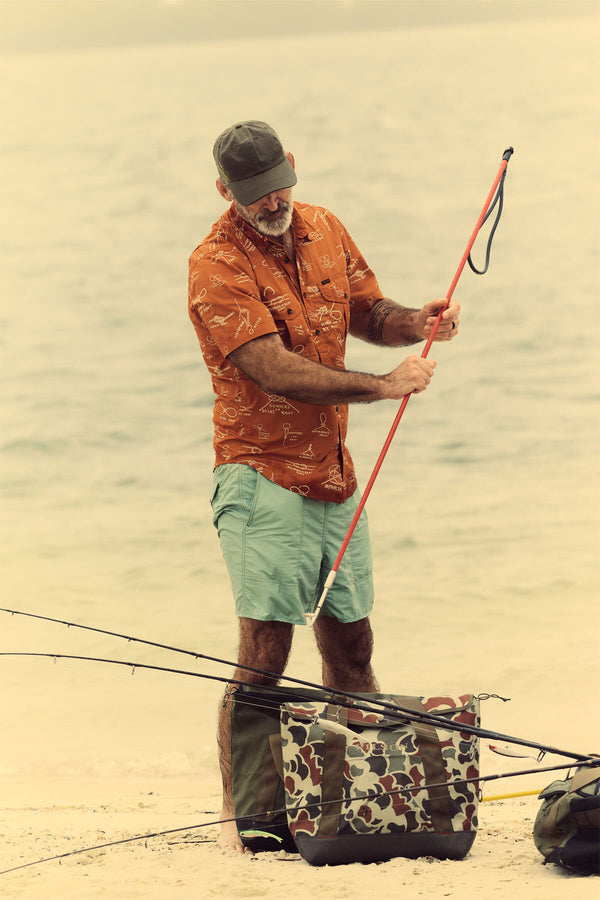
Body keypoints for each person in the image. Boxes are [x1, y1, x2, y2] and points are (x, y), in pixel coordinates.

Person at [188, 120, 460, 853]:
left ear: (294, 168)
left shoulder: (325, 227)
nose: (270, 202)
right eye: (252, 195)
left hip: (335, 478)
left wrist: (416, 322)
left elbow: (369, 311)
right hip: (259, 476)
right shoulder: (214, 263)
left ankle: (360, 795)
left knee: (352, 643)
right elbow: (271, 367)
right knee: (264, 652)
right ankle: (247, 814)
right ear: (225, 193)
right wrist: (382, 387)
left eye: (278, 186)